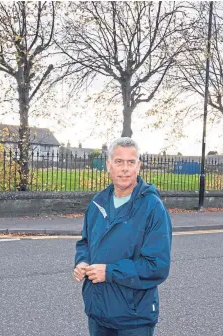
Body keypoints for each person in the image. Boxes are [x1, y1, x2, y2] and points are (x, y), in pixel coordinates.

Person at [74, 137, 172, 336]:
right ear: (109, 165)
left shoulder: (152, 207)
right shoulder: (97, 203)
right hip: (98, 313)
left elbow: (157, 266)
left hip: (133, 318)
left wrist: (110, 272)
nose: (125, 168)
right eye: (119, 162)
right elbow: (85, 242)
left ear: (139, 166)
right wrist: (82, 261)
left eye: (131, 162)